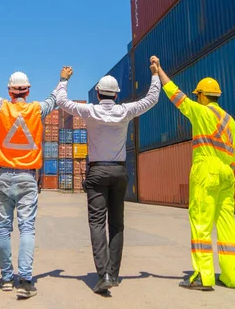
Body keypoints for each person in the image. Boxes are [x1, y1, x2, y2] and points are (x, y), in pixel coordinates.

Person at [55, 58, 160, 294]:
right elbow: (152, 99)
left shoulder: (90, 111)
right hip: (119, 171)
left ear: (99, 93)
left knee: (96, 223)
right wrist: (154, 74)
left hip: (97, 172)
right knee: (117, 224)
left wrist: (63, 80)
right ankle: (113, 273)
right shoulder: (126, 111)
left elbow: (61, 101)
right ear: (116, 94)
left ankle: (102, 274)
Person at [152, 56, 235, 291]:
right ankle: (231, 276)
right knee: (226, 226)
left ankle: (204, 276)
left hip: (207, 171)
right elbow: (234, 155)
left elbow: (176, 95)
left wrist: (159, 71)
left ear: (202, 96)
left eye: (197, 95)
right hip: (227, 174)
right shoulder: (231, 121)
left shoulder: (201, 112)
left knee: (201, 223)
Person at [0, 51, 57, 299]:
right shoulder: (37, 110)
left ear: (10, 91)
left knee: (3, 228)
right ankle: (26, 279)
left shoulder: (2, 107)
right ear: (27, 91)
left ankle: (7, 278)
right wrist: (63, 79)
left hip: (4, 177)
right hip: (28, 178)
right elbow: (55, 98)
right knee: (27, 228)